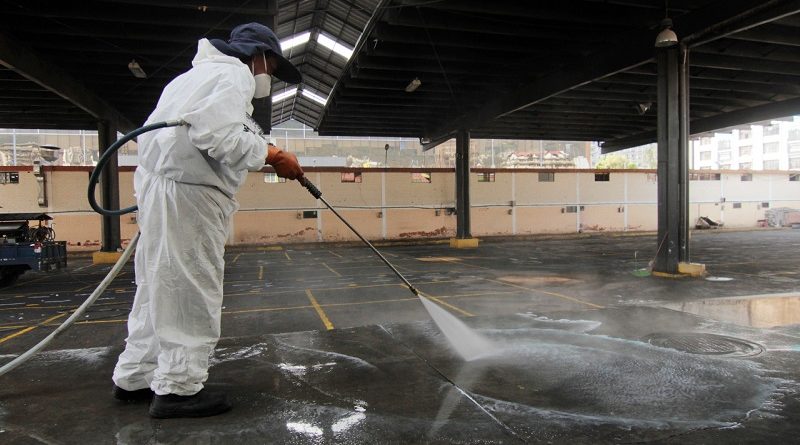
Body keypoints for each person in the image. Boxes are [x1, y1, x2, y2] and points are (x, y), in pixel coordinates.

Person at [111, 23, 303, 419]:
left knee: (158, 286)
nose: (270, 77)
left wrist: (264, 149)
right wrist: (272, 156)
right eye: (273, 68)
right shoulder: (234, 74)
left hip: (161, 186)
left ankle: (136, 376)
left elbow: (203, 130)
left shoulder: (192, 76)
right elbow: (219, 137)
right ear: (260, 57)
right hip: (189, 192)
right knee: (190, 286)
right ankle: (178, 390)